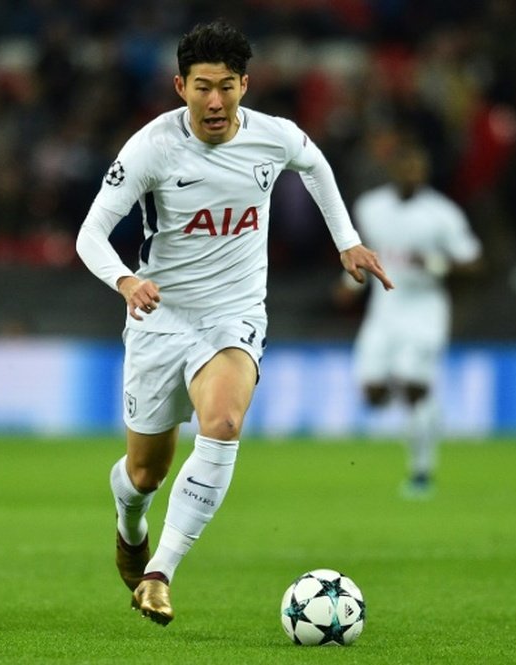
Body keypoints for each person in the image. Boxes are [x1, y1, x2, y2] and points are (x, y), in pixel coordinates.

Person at [74, 20, 393, 626]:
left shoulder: (274, 137)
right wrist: (126, 280)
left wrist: (347, 242)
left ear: (245, 84)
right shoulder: (151, 149)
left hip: (235, 314)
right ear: (179, 86)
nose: (214, 101)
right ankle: (130, 524)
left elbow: (315, 163)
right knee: (145, 473)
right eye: (201, 87)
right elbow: (90, 233)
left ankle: (159, 574)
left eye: (226, 86)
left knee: (222, 422)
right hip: (160, 317)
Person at [336, 138, 481, 499]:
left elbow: (475, 263)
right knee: (373, 393)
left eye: (418, 168)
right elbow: (365, 253)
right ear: (394, 169)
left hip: (425, 309)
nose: (412, 174)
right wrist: (348, 284)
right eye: (406, 167)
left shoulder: (442, 214)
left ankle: (421, 471)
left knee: (413, 387)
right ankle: (430, 417)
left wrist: (434, 263)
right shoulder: (371, 207)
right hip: (383, 311)